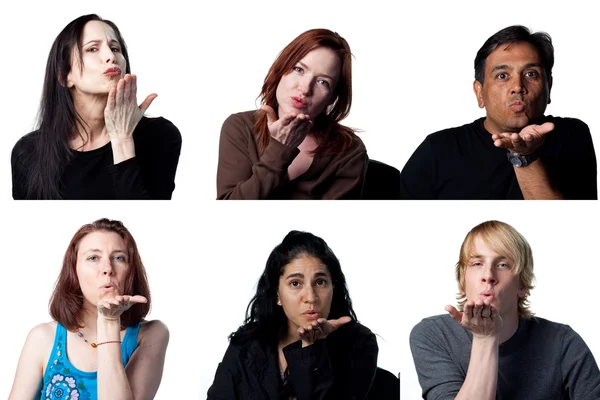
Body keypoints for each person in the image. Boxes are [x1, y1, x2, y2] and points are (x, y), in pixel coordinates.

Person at [400, 25, 597, 200]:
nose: (518, 87)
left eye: (531, 74)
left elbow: (568, 226)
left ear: (549, 87)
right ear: (480, 92)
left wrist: (525, 156)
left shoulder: (572, 135)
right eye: (502, 76)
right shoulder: (438, 150)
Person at [410, 220, 600, 399]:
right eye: (477, 263)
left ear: (522, 285)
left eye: (503, 265)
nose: (488, 275)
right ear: (462, 281)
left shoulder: (563, 342)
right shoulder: (433, 335)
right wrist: (485, 338)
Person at [11, 14, 182, 200]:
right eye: (92, 49)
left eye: (115, 48)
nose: (111, 57)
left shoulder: (160, 136)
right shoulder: (29, 152)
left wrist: (122, 139)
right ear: (64, 76)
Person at [8, 218, 169, 400]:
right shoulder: (42, 337)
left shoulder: (151, 334)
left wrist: (109, 321)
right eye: (93, 258)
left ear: (130, 272)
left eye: (118, 258)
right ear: (74, 272)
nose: (108, 268)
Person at [207, 230, 378, 399]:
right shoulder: (247, 344)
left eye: (320, 282)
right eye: (295, 283)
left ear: (333, 287)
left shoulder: (358, 343)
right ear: (277, 295)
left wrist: (312, 349)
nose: (311, 297)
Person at [216, 29, 368, 199]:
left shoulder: (349, 151)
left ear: (332, 97)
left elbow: (333, 224)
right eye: (298, 69)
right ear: (282, 69)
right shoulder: (240, 127)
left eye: (323, 82)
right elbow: (228, 212)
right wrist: (280, 149)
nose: (305, 88)